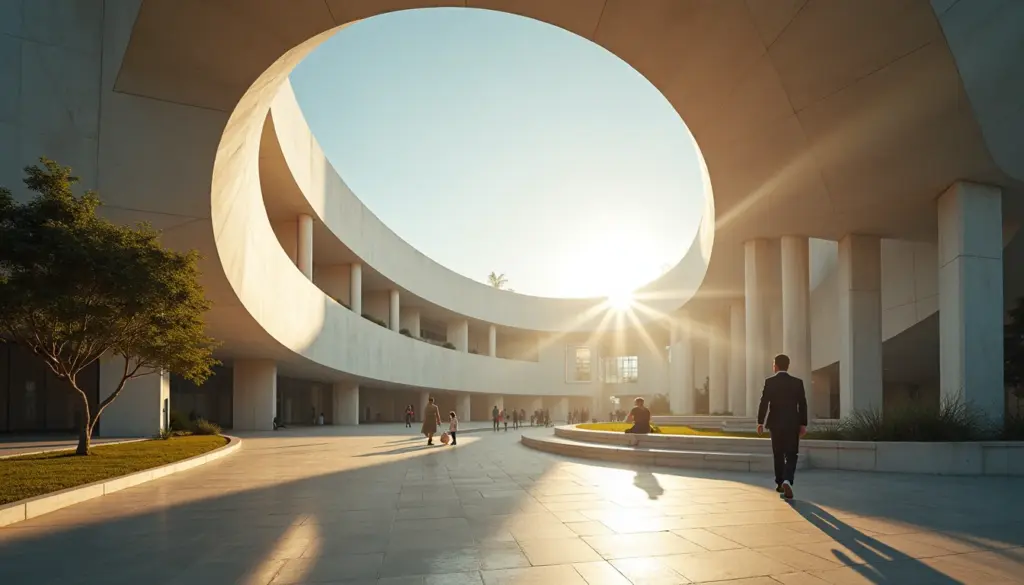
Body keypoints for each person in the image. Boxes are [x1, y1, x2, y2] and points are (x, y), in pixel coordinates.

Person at [756, 354, 808, 501]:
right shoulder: (797, 383)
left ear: (776, 366)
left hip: (775, 423)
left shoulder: (770, 382)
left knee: (778, 453)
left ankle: (779, 483)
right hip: (792, 423)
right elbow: (803, 404)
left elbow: (764, 402)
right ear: (788, 366)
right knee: (792, 454)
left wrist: (760, 422)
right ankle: (787, 480)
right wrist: (803, 424)